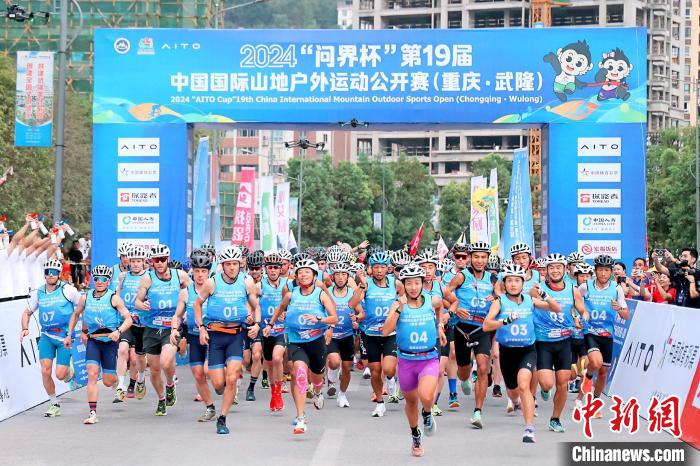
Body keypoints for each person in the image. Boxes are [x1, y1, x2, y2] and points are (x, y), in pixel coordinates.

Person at [483, 264, 561, 443]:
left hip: (527, 350)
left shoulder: (530, 301)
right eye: (509, 281)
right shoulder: (499, 301)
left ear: (522, 282)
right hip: (507, 351)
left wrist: (545, 295)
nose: (513, 284)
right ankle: (516, 403)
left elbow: (556, 309)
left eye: (517, 280)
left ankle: (529, 428)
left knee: (524, 385)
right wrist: (505, 321)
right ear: (504, 283)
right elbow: (486, 325)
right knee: (512, 390)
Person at [194, 245, 261, 434]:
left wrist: (256, 324)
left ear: (240, 265)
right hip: (215, 335)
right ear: (222, 265)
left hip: (235, 336)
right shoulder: (211, 283)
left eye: (235, 264)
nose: (232, 268)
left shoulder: (246, 282)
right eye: (228, 264)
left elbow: (256, 306)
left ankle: (222, 418)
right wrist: (200, 328)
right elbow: (197, 304)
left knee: (232, 378)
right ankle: (223, 394)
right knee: (218, 384)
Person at [266, 258, 337, 434]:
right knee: (299, 373)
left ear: (314, 276)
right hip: (296, 341)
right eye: (300, 272)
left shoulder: (320, 294)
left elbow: (334, 317)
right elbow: (280, 308)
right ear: (296, 277)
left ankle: (319, 391)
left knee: (317, 378)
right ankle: (300, 417)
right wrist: (270, 324)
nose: (304, 275)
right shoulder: (291, 294)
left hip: (316, 341)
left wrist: (319, 319)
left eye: (308, 272)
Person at [382, 263, 446, 457]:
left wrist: (440, 325)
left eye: (416, 283)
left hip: (428, 358)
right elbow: (385, 331)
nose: (413, 287)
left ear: (422, 283)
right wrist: (399, 310)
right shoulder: (397, 304)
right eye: (409, 283)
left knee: (426, 396)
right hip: (406, 360)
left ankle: (427, 413)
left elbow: (440, 307)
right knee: (410, 402)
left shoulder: (432, 300)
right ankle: (415, 436)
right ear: (403, 284)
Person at [64, 265, 133, 424]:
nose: (100, 282)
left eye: (103, 279)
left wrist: (118, 331)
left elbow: (128, 319)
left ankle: (116, 381)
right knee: (92, 374)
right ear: (93, 280)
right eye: (97, 279)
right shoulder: (86, 297)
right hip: (94, 341)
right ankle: (93, 413)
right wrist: (72, 333)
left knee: (108, 381)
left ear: (109, 281)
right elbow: (77, 314)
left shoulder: (114, 298)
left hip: (109, 342)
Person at [444, 241, 498, 429]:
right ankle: (465, 379)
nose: (480, 260)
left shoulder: (492, 279)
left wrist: (497, 298)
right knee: (464, 371)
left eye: (483, 257)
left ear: (487, 259)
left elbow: (502, 297)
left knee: (483, 368)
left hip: (482, 329)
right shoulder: (461, 277)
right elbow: (444, 295)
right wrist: (455, 309)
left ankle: (477, 411)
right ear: (469, 258)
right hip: (461, 329)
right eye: (476, 257)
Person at [20, 258, 82, 417]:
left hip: (64, 337)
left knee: (61, 375)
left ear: (59, 274)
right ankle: (54, 403)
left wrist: (82, 327)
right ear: (44, 275)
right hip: (47, 336)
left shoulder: (68, 290)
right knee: (45, 371)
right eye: (48, 272)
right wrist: (25, 328)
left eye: (54, 272)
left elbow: (82, 304)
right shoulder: (39, 293)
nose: (51, 275)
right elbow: (26, 312)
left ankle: (69, 370)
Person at [134, 244, 191, 417]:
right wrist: (142, 305)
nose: (159, 263)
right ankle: (161, 399)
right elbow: (137, 301)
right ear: (151, 262)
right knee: (155, 369)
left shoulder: (179, 275)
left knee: (166, 362)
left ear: (167, 259)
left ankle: (170, 385)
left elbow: (194, 293)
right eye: (155, 260)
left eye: (162, 259)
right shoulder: (147, 279)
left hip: (171, 327)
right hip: (151, 328)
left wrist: (187, 311)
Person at [534, 253, 587, 433]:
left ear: (565, 270)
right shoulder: (538, 288)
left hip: (565, 340)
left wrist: (582, 318)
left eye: (558, 267)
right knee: (547, 384)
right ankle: (545, 389)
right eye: (551, 267)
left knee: (563, 382)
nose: (555, 270)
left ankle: (555, 419)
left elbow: (582, 310)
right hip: (543, 341)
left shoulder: (573, 289)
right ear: (547, 271)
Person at [349, 250, 405, 416]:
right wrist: (361, 286)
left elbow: (404, 302)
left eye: (382, 267)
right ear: (370, 269)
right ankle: (380, 402)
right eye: (376, 267)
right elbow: (352, 303)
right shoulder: (367, 285)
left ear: (388, 268)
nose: (379, 270)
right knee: (374, 370)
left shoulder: (396, 284)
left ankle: (390, 379)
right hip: (370, 334)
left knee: (388, 369)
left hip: (390, 333)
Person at [171, 249, 216, 422]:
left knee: (208, 370)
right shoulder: (185, 293)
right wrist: (174, 329)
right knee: (198, 374)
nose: (200, 275)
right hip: (194, 336)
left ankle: (223, 382)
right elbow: (178, 315)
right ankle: (210, 407)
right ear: (192, 271)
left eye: (203, 271)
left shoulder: (214, 290)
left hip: (214, 336)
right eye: (196, 271)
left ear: (208, 272)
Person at [578, 255, 630, 405]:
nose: (603, 273)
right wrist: (579, 315)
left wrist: (619, 308)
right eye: (600, 270)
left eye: (606, 270)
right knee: (595, 362)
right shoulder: (585, 286)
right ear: (595, 271)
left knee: (603, 372)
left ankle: (594, 400)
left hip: (607, 333)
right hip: (590, 331)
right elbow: (575, 303)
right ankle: (586, 381)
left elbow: (625, 315)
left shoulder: (617, 289)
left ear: (611, 272)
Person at [325, 262, 362, 408]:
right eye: (338, 274)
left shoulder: (352, 294)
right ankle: (332, 374)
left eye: (344, 275)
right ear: (333, 277)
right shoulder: (327, 292)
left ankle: (342, 394)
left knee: (346, 367)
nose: (340, 278)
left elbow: (361, 312)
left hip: (347, 335)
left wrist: (357, 320)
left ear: (348, 277)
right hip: (332, 334)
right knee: (334, 362)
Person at [114, 246, 149, 401]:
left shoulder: (149, 277)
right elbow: (117, 296)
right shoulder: (123, 276)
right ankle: (121, 385)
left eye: (138, 261)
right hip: (127, 321)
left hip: (142, 323)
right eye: (133, 261)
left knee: (137, 359)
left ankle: (140, 379)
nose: (135, 264)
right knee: (122, 350)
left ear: (143, 262)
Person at [259, 251, 289, 412]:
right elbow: (251, 303)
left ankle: (278, 393)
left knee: (278, 358)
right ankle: (273, 392)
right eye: (270, 267)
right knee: (269, 364)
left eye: (276, 268)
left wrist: (287, 312)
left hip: (281, 329)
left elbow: (294, 302)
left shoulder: (287, 284)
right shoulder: (260, 285)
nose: (273, 270)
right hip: (266, 331)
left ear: (280, 269)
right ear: (266, 269)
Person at [243, 249, 265, 402]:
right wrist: (247, 315)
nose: (255, 271)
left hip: (261, 324)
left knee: (257, 354)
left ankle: (251, 388)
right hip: (245, 322)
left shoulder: (266, 282)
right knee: (245, 360)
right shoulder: (244, 281)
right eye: (252, 268)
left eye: (257, 268)